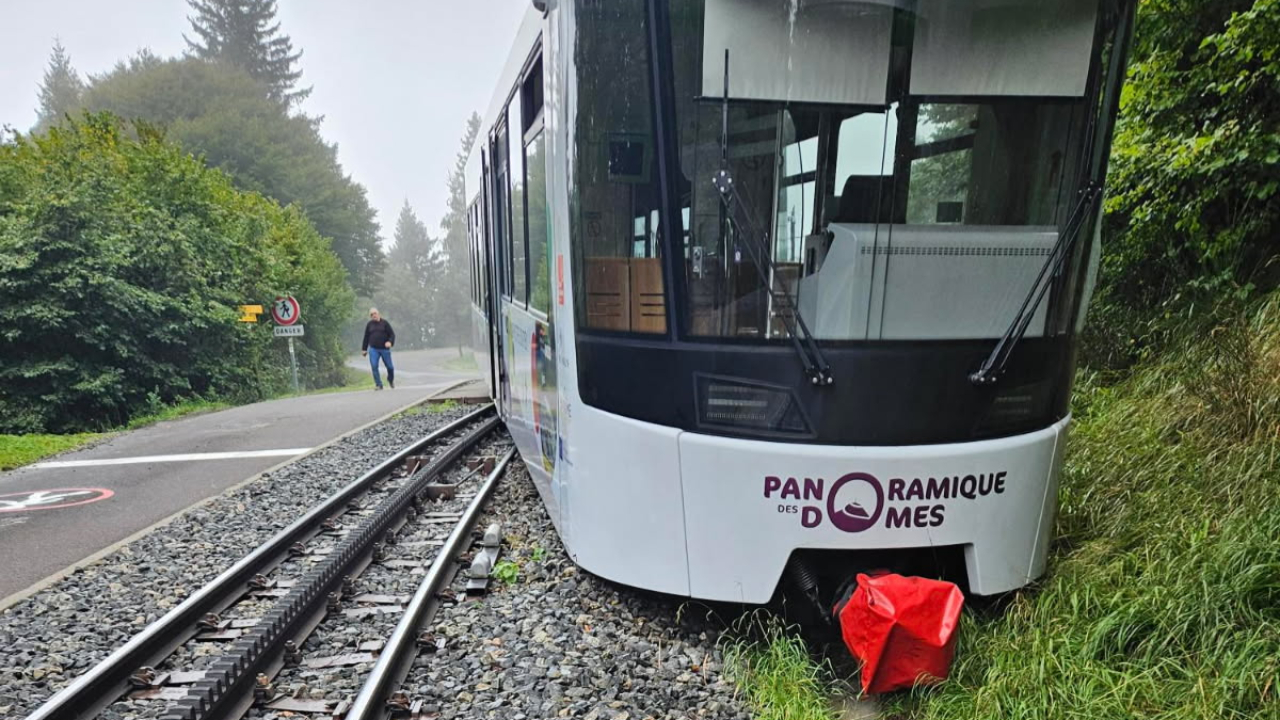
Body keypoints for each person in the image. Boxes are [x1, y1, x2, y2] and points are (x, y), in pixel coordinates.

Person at [361, 308, 396, 390]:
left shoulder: (385, 323)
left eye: (375, 313)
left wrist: (390, 342)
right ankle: (378, 384)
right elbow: (366, 337)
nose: (374, 315)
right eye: (371, 314)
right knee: (374, 365)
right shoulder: (369, 325)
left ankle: (390, 380)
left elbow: (392, 334)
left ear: (378, 314)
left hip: (384, 349)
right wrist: (364, 349)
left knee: (390, 367)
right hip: (373, 349)